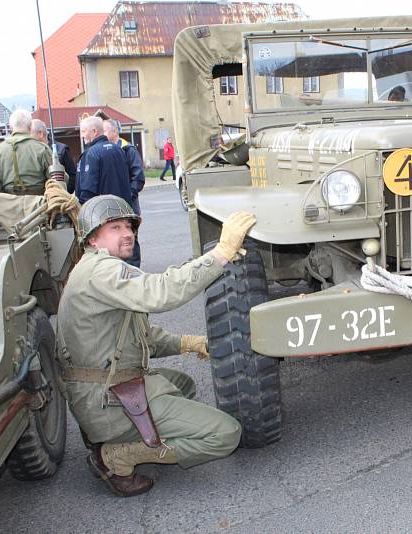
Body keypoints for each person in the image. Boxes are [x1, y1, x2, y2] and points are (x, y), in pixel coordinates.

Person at [57, 194, 255, 496]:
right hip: (106, 399)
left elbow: (139, 335)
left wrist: (188, 343)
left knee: (182, 384)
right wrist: (222, 252)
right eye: (115, 228)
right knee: (226, 434)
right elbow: (161, 291)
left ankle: (121, 438)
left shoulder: (91, 270)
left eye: (129, 227)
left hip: (102, 390)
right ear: (93, 238)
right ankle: (116, 456)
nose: (127, 234)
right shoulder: (102, 270)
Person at [103, 119, 146, 267]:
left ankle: (134, 272)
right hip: (114, 206)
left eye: (105, 131)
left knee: (130, 239)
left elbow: (138, 178)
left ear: (114, 131)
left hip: (129, 205)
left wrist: (127, 196)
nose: (103, 134)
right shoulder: (106, 150)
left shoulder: (128, 149)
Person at [75, 116, 133, 207]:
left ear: (94, 131)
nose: (81, 135)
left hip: (103, 212)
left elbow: (88, 189)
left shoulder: (91, 153)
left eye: (83, 131)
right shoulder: (119, 149)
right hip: (123, 209)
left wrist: (80, 207)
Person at [0, 109, 50, 195]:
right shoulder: (42, 149)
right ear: (30, 126)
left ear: (11, 127)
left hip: (9, 203)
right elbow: (55, 179)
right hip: (39, 203)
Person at [31, 119, 77, 192]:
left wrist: (63, 193)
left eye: (30, 134)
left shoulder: (62, 150)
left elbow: (73, 177)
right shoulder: (32, 152)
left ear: (40, 133)